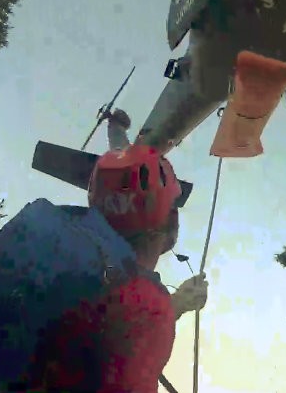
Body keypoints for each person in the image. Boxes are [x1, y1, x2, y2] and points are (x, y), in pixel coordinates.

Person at [25, 108, 209, 392]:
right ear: (170, 223)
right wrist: (173, 306)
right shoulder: (146, 307)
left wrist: (115, 128)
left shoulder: (45, 254)